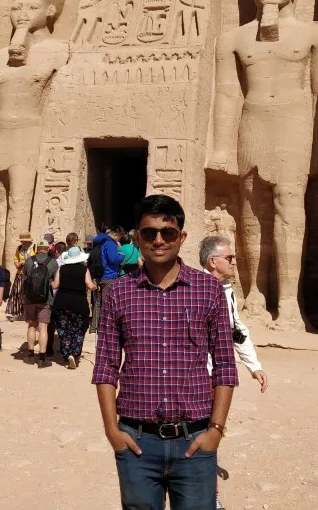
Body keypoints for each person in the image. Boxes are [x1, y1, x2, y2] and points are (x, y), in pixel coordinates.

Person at [94, 195, 238, 510]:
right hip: (136, 440)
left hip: (195, 437)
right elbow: (105, 366)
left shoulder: (208, 289)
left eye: (168, 233)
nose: (158, 240)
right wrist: (111, 430)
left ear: (181, 237)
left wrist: (216, 430)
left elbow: (226, 365)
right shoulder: (118, 292)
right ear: (137, 236)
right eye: (149, 233)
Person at [199, 235, 269, 510]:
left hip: (216, 374)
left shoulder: (226, 291)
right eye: (229, 258)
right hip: (194, 373)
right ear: (212, 261)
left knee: (209, 431)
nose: (234, 262)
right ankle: (207, 496)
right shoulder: (193, 288)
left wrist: (254, 366)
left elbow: (236, 330)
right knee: (204, 432)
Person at [52, 233, 96, 369]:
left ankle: (67, 354)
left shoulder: (62, 268)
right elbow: (89, 285)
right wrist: (96, 286)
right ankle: (75, 353)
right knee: (78, 329)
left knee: (64, 330)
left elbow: (55, 285)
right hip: (79, 303)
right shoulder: (84, 269)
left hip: (62, 302)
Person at [23, 240, 58, 367]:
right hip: (45, 299)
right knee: (43, 327)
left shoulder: (28, 261)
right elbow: (55, 282)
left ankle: (31, 355)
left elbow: (25, 277)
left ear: (37, 249)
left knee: (31, 325)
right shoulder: (52, 262)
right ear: (47, 249)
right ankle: (42, 358)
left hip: (29, 299)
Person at [6, 231, 34, 319]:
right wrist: (17, 263)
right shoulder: (19, 248)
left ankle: (28, 313)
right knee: (17, 293)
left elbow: (36, 259)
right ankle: (19, 313)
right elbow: (16, 258)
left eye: (24, 240)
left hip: (31, 275)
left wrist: (26, 262)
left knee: (28, 294)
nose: (22, 242)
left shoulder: (35, 248)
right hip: (20, 274)